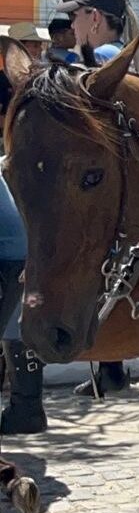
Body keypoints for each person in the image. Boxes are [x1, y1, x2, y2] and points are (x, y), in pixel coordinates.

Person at [57, 0, 135, 396]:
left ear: (95, 19)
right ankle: (110, 369)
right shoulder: (122, 58)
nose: (72, 24)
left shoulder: (97, 61)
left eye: (76, 16)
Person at [0, 174, 41, 434]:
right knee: (15, 329)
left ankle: (27, 410)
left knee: (14, 329)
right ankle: (27, 410)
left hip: (9, 257)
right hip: (24, 255)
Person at [62, 0, 132, 66]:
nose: (72, 25)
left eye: (76, 16)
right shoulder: (117, 51)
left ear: (95, 17)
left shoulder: (101, 56)